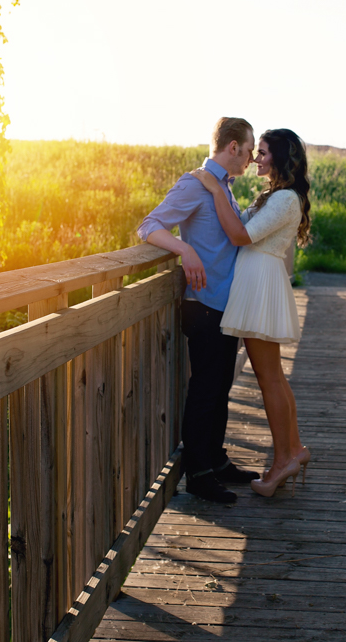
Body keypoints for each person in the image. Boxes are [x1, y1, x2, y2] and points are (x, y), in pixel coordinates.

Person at [136, 117, 260, 504]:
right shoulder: (195, 184)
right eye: (250, 148)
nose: (253, 158)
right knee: (205, 391)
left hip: (225, 304)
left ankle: (217, 461)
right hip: (204, 305)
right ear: (233, 147)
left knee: (220, 388)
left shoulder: (222, 187)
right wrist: (183, 249)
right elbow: (149, 226)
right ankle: (199, 474)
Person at [189, 128, 312, 497]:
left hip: (260, 284)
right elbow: (241, 226)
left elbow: (241, 236)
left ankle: (283, 460)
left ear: (279, 157)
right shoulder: (276, 195)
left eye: (262, 153)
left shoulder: (286, 199)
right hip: (259, 281)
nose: (255, 159)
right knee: (272, 375)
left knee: (269, 377)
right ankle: (293, 450)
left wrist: (213, 188)